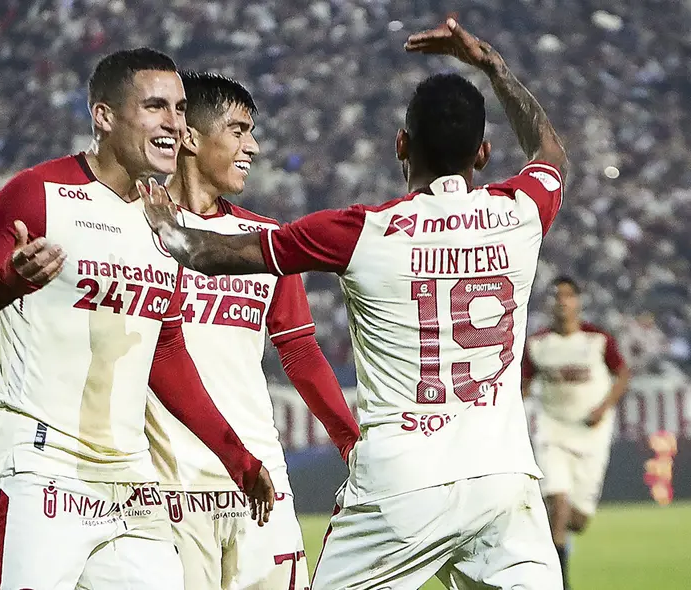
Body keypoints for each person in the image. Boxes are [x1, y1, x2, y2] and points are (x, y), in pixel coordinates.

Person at [140, 18, 569, 589]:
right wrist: (493, 65)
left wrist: (168, 228)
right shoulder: (520, 211)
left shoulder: (364, 231)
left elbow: (210, 252)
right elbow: (551, 152)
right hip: (504, 480)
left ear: (401, 146)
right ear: (485, 153)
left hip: (401, 482)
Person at [0, 48, 274, 590]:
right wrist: (8, 283)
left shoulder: (165, 223)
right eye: (156, 106)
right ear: (104, 116)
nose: (174, 123)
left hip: (131, 479)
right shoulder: (38, 193)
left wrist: (237, 455)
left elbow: (165, 351)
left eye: (180, 109)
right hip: (42, 466)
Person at [144, 71, 360, 590]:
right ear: (190, 137)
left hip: (262, 481)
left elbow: (300, 352)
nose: (253, 146)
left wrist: (350, 442)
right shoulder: (134, 227)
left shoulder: (262, 241)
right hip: (164, 483)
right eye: (239, 130)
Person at [522, 276, 631, 589]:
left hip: (590, 434)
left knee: (576, 520)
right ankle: (560, 582)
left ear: (578, 301)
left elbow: (622, 373)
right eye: (557, 296)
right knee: (558, 503)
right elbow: (523, 387)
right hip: (552, 430)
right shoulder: (538, 344)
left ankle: (555, 536)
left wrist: (604, 407)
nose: (562, 301)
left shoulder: (598, 340)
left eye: (568, 296)